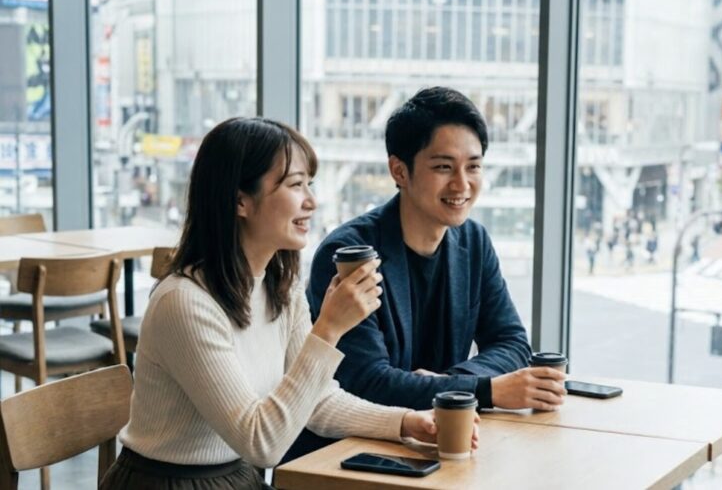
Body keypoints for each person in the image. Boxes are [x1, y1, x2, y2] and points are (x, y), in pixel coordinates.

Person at [99, 118, 459, 489]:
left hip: (236, 477)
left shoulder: (280, 290)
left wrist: (405, 422)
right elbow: (262, 443)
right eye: (294, 184)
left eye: (309, 184)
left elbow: (315, 401)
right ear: (240, 200)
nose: (310, 201)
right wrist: (329, 329)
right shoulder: (184, 303)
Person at [289, 87, 560, 461]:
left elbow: (512, 343)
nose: (462, 184)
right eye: (443, 167)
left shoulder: (473, 241)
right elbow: (367, 382)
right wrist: (484, 390)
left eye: (474, 166)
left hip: (431, 446)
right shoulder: (349, 255)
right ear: (399, 170)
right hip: (343, 459)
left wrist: (447, 384)